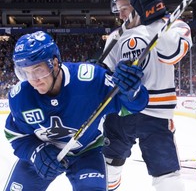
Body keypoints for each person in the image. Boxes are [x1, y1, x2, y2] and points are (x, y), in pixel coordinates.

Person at [3, 31, 149, 191]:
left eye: (38, 70)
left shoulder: (90, 80)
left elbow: (131, 106)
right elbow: (16, 135)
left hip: (87, 153)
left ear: (55, 63)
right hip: (42, 155)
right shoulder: (21, 97)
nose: (33, 80)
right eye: (25, 72)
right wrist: (36, 153)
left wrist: (132, 91)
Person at [102, 0, 192, 191]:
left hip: (156, 115)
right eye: (118, 9)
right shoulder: (116, 36)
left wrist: (157, 19)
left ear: (138, 3)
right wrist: (113, 78)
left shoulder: (173, 25)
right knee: (108, 169)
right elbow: (104, 76)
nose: (121, 15)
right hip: (121, 112)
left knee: (167, 177)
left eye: (124, 8)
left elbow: (173, 53)